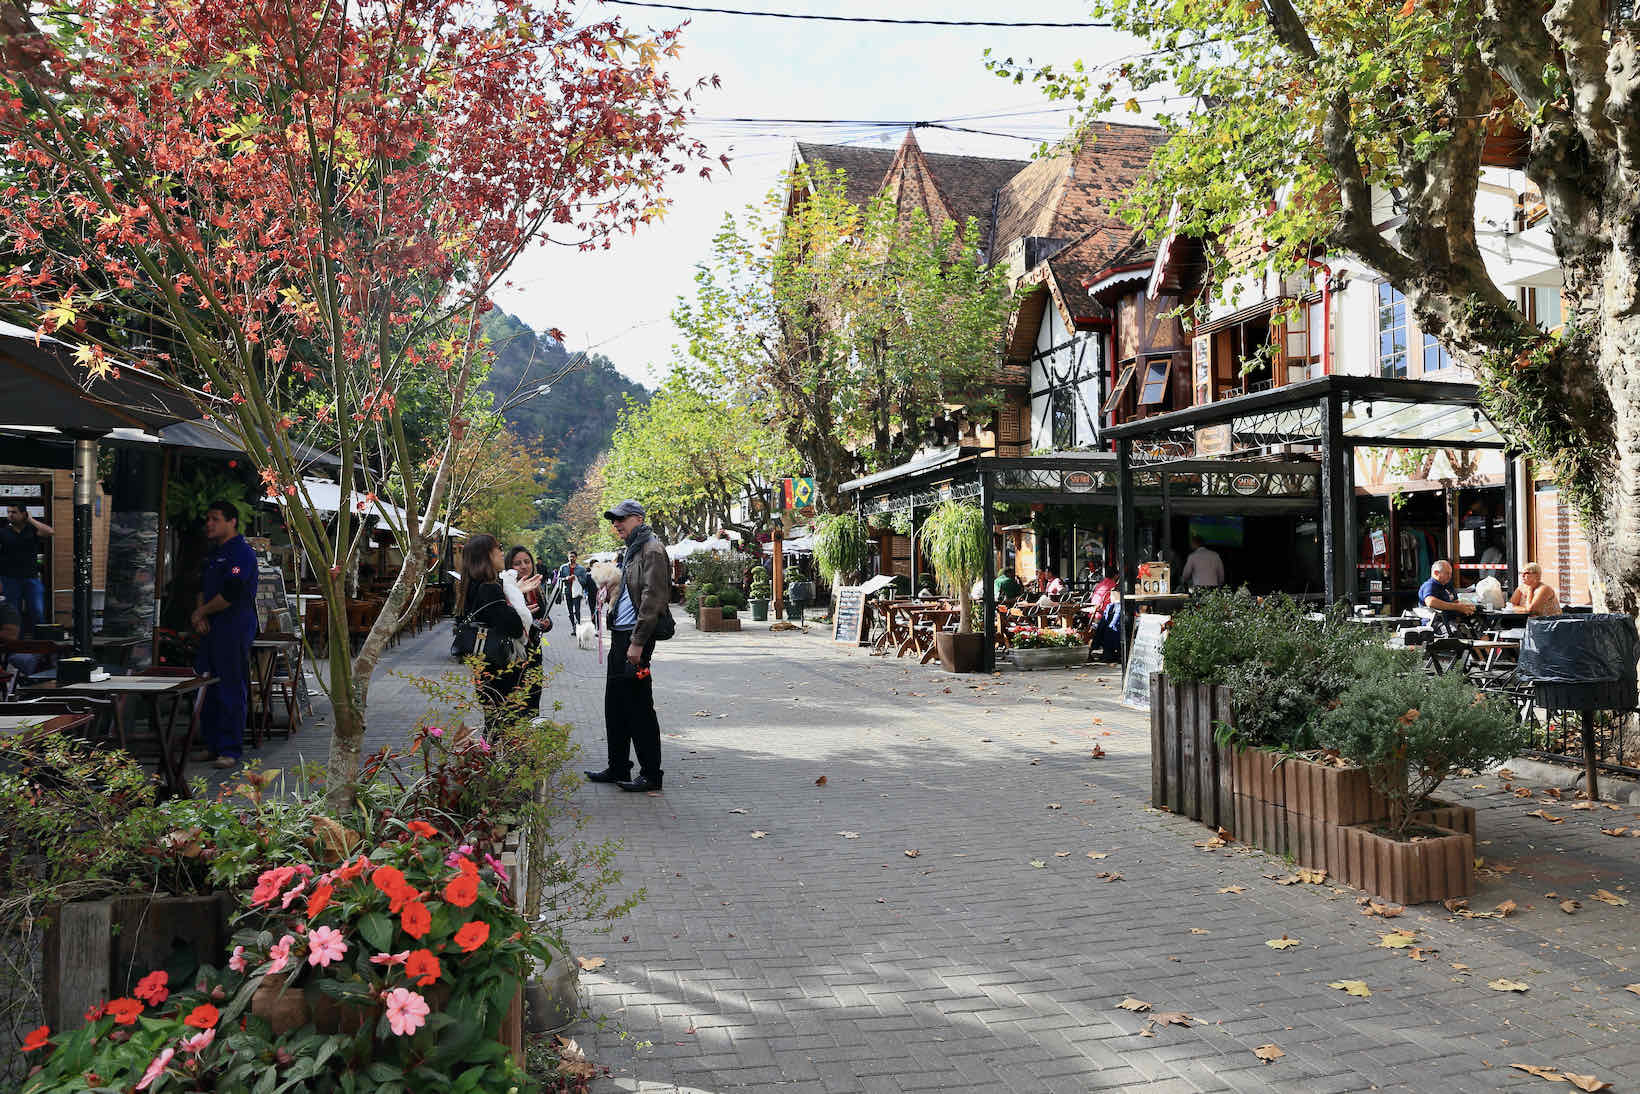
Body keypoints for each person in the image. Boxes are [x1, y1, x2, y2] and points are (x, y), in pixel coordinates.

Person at [584, 499, 671, 793]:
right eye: (613, 520)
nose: (616, 524)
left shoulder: (652, 549)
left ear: (637, 518)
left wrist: (637, 643)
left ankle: (651, 774)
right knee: (615, 705)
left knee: (638, 707)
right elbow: (632, 591)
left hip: (636, 639)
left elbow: (653, 599)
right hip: (620, 636)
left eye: (621, 519)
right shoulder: (632, 550)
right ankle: (618, 765)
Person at [192, 500, 259, 770]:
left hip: (233, 626)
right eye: (207, 518)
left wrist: (201, 613)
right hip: (210, 627)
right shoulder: (213, 554)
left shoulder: (241, 553)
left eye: (215, 518)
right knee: (208, 686)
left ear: (232, 522)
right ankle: (212, 744)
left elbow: (231, 592)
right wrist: (201, 614)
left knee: (231, 686)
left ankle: (230, 749)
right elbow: (200, 586)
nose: (209, 523)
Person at [459, 534, 538, 731]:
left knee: (494, 720)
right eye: (498, 548)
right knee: (505, 723)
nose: (502, 553)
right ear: (486, 555)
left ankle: (494, 757)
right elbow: (513, 625)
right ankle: (500, 760)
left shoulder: (471, 586)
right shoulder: (489, 588)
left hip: (483, 664)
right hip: (500, 666)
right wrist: (518, 601)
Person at [0, 503, 52, 635]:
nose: (10, 515)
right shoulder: (3, 532)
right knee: (13, 613)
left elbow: (50, 532)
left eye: (14, 512)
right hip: (9, 578)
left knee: (37, 610)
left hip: (31, 577)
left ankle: (40, 642)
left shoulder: (32, 530)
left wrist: (30, 519)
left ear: (23, 514)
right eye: (9, 512)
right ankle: (18, 644)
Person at [1419, 559, 1475, 632]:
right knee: (1457, 632)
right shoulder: (1430, 585)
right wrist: (1458, 607)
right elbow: (1431, 602)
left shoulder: (1448, 586)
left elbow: (1456, 602)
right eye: (1447, 573)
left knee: (1477, 627)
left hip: (1451, 620)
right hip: (1435, 622)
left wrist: (1466, 607)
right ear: (1436, 573)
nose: (1449, 576)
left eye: (1450, 574)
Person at [558, 551, 593, 629]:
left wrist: (576, 578)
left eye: (573, 556)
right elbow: (558, 579)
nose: (571, 558)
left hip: (577, 592)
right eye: (570, 556)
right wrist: (566, 578)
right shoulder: (563, 567)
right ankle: (573, 626)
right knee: (569, 611)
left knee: (576, 610)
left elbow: (585, 581)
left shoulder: (581, 569)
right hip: (567, 592)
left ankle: (578, 625)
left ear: (576, 558)